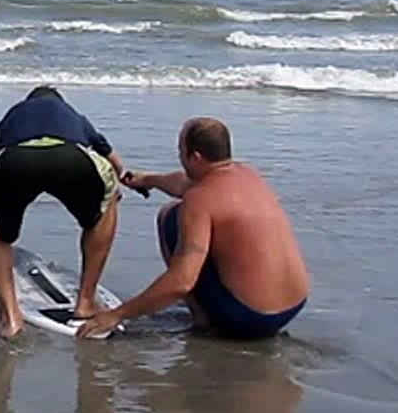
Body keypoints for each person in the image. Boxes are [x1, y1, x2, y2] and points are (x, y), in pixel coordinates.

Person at [77, 117, 310, 339]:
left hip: (251, 318)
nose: (179, 156)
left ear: (195, 157)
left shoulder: (198, 201)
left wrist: (117, 315)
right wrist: (148, 180)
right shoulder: (248, 174)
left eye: (180, 151)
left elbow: (181, 281)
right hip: (293, 305)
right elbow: (184, 183)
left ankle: (203, 320)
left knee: (170, 217)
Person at [0, 86, 131, 338]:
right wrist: (118, 183)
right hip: (73, 158)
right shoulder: (74, 116)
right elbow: (111, 158)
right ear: (60, 102)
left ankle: (11, 317)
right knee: (107, 204)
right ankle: (85, 302)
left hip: (15, 160)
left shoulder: (14, 115)